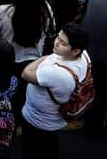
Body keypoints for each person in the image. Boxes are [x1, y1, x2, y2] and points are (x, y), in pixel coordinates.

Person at [20, 24, 91, 159]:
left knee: (33, 150)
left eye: (62, 43)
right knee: (49, 146)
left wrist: (46, 58)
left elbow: (25, 73)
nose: (56, 43)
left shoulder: (57, 73)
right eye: (58, 37)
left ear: (75, 51)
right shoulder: (85, 56)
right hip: (53, 119)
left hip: (38, 121)